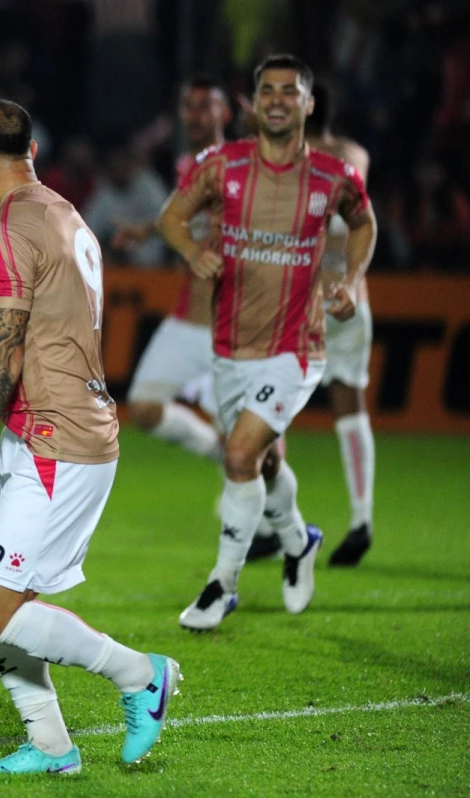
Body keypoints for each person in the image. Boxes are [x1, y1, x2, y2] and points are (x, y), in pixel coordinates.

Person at [0, 99, 179, 776]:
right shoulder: (66, 213)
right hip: (43, 431)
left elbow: (7, 353)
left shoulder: (1, 233)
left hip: (57, 438)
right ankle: (52, 746)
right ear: (32, 152)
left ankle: (142, 674)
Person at [158, 54, 377, 632]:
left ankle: (220, 584)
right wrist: (191, 251)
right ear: (254, 105)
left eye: (291, 90)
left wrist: (352, 280)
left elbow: (364, 222)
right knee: (267, 458)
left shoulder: (333, 175)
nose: (279, 99)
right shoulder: (222, 166)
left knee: (238, 456)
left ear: (308, 103)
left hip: (297, 347)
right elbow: (171, 217)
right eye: (268, 91)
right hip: (230, 345)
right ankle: (296, 539)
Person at [247, 82, 376, 566]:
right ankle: (361, 520)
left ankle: (273, 522)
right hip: (351, 297)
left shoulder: (291, 158)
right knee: (351, 405)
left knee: (269, 403)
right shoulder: (354, 154)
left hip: (301, 301)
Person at [120, 76, 230, 462]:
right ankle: (216, 452)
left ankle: (281, 522)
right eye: (190, 106)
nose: (196, 115)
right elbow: (179, 215)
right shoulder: (188, 166)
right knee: (145, 409)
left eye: (206, 106)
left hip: (229, 328)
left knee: (251, 443)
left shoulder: (239, 169)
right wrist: (146, 230)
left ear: (224, 113)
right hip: (185, 322)